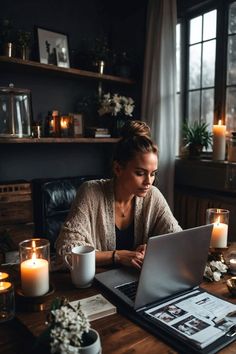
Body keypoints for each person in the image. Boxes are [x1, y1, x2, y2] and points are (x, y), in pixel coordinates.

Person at [55, 120, 181, 269]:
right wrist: (118, 256)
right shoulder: (90, 193)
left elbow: (178, 240)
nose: (149, 181)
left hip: (137, 280)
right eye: (140, 173)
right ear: (118, 168)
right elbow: (66, 251)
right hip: (95, 282)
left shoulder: (153, 196)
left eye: (153, 174)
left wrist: (153, 249)